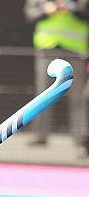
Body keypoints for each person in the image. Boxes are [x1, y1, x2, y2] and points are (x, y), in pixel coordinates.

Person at [24, 0, 89, 156]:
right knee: (43, 96)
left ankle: (81, 140)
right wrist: (46, 10)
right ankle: (40, 135)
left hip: (74, 50)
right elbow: (30, 14)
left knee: (78, 99)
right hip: (47, 49)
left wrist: (72, 9)